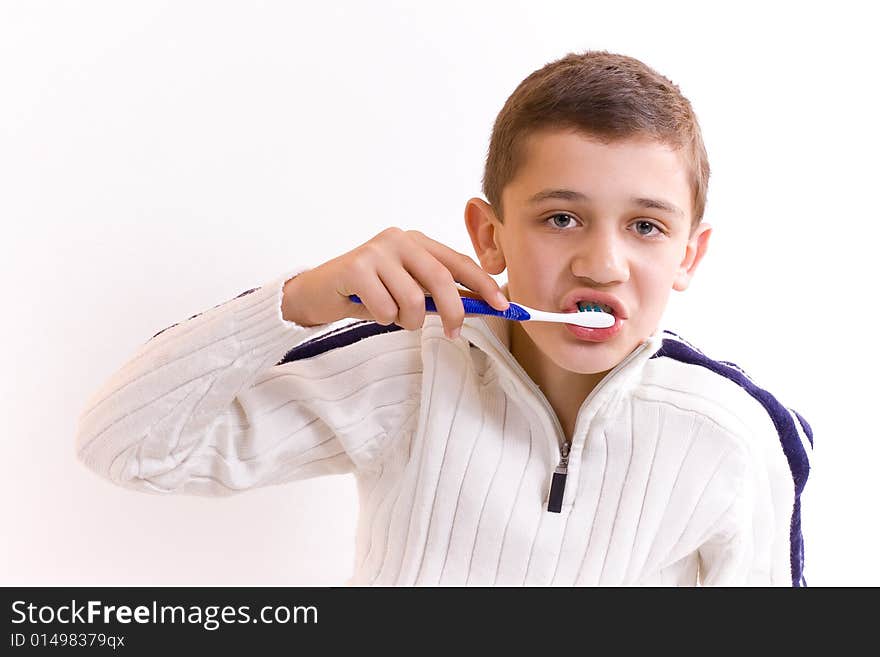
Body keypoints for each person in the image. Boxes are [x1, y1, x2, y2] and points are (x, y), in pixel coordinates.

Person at [74, 50, 812, 586]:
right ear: (490, 236)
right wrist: (302, 300)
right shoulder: (410, 368)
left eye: (646, 227)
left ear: (690, 254)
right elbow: (125, 447)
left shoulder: (737, 435)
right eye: (561, 217)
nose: (602, 263)